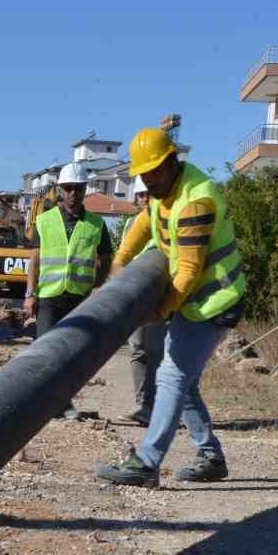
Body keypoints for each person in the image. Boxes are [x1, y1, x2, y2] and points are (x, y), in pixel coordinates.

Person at [96, 127, 245, 488]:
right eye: (143, 173)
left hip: (213, 301)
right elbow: (147, 221)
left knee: (171, 376)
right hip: (194, 299)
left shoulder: (196, 199)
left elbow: (190, 270)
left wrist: (159, 311)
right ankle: (210, 455)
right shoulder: (164, 191)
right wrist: (121, 261)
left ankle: (147, 463)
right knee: (184, 381)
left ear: (172, 161)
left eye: (154, 171)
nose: (149, 179)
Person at [23, 162, 113, 339]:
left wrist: (97, 288)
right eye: (68, 188)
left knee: (75, 351)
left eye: (78, 188)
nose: (73, 193)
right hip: (49, 299)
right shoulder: (43, 221)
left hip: (81, 299)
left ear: (85, 189)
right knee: (46, 350)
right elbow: (34, 260)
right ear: (60, 190)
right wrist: (30, 295)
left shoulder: (97, 224)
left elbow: (106, 258)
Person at [115, 179, 165, 427]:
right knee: (139, 350)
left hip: (161, 295)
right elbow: (124, 257)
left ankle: (162, 409)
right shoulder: (131, 224)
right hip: (137, 296)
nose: (145, 198)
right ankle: (144, 405)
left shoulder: (165, 221)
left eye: (149, 193)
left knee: (159, 352)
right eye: (141, 195)